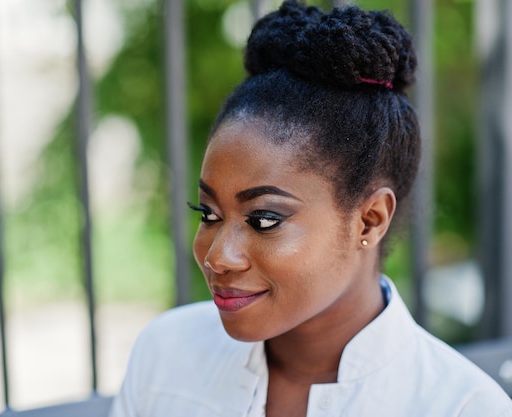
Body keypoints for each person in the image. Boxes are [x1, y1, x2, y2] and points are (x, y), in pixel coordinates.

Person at [109, 1, 512, 416]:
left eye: (264, 220)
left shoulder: (461, 406)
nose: (217, 257)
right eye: (209, 213)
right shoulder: (167, 357)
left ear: (370, 220)